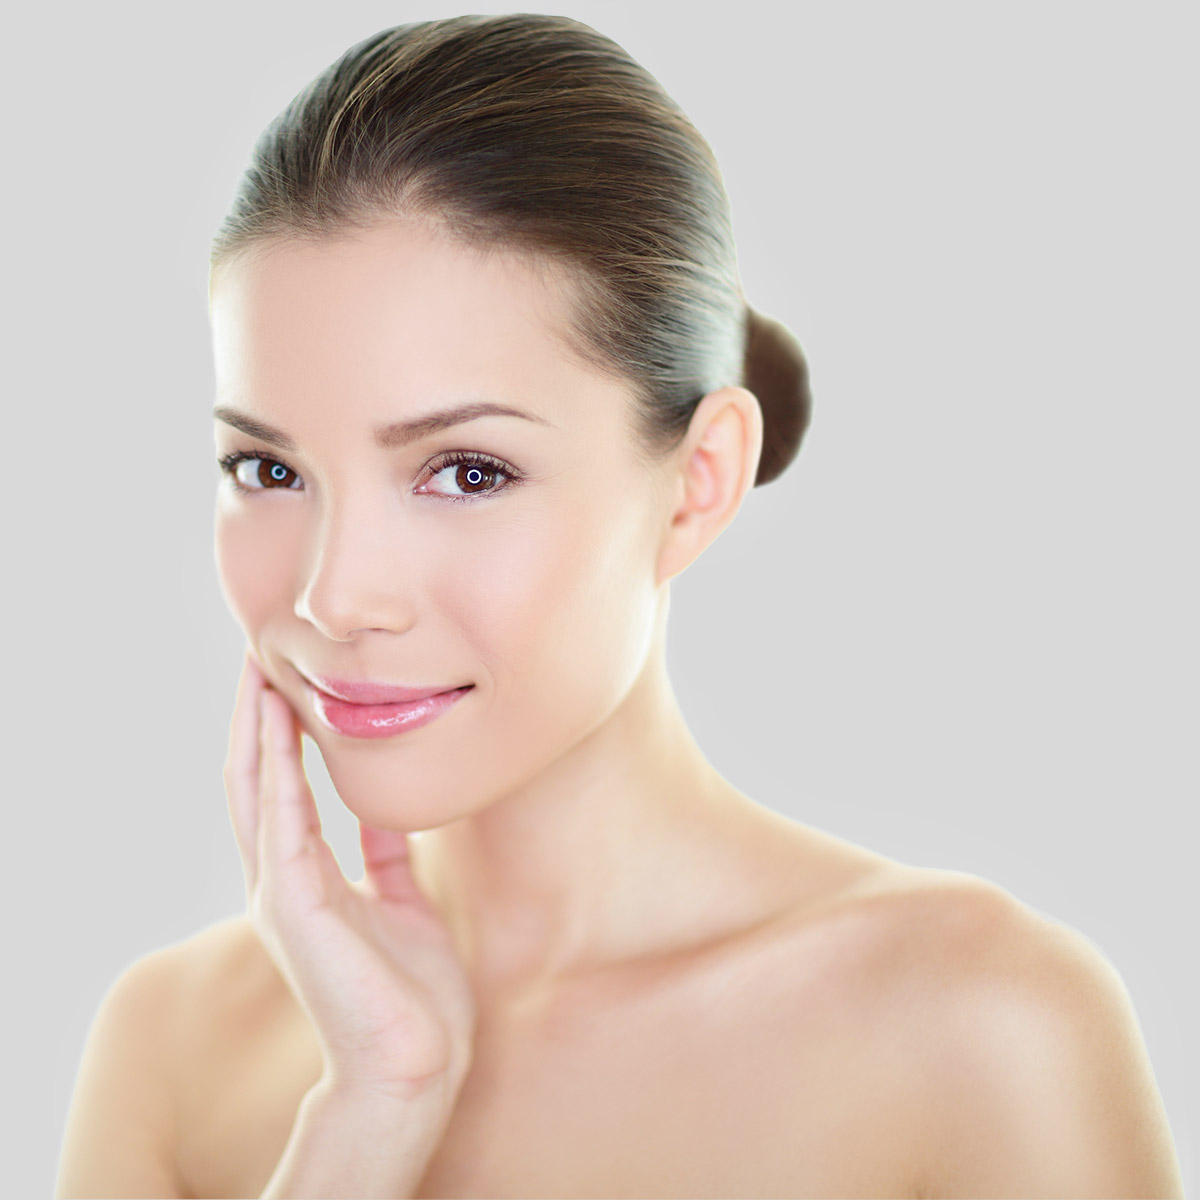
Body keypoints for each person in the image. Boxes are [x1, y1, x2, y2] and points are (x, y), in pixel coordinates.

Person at [54, 13, 1183, 1198]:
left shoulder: (975, 1027)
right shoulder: (171, 1046)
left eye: (467, 472)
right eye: (269, 471)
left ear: (697, 484)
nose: (333, 596)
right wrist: (370, 1113)